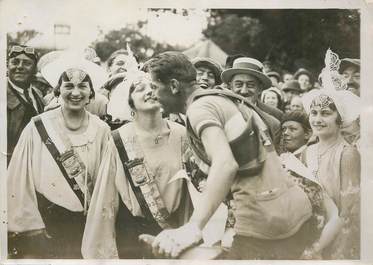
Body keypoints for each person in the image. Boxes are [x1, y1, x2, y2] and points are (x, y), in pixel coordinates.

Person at [143, 51, 314, 259]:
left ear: (173, 86)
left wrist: (192, 228)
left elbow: (225, 165)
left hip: (267, 225)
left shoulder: (199, 108)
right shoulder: (218, 99)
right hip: (291, 215)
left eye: (154, 87)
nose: (152, 94)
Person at [7, 55, 111, 258]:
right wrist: (32, 228)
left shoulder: (102, 129)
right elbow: (18, 180)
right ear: (57, 90)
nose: (75, 92)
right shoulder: (37, 126)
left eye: (82, 86)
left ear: (91, 92)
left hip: (90, 224)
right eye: (68, 86)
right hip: (45, 224)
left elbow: (107, 183)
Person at [82, 71, 192, 258]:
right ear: (130, 103)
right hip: (132, 236)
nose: (149, 91)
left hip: (174, 234)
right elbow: (107, 198)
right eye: (140, 89)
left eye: (154, 87)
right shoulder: (119, 139)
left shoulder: (182, 134)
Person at [301, 88, 360, 259]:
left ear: (339, 120)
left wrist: (316, 248)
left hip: (337, 239)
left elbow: (347, 213)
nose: (317, 119)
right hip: (308, 231)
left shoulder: (348, 154)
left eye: (325, 113)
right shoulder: (307, 151)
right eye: (314, 113)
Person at [221, 57, 284, 148]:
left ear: (260, 88)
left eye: (250, 85)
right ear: (230, 86)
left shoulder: (275, 116)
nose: (244, 91)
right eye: (238, 84)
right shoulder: (219, 111)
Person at [7, 44, 45, 164]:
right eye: (15, 62)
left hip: (34, 161)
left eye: (27, 63)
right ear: (7, 65)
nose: (19, 67)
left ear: (35, 69)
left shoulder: (38, 94)